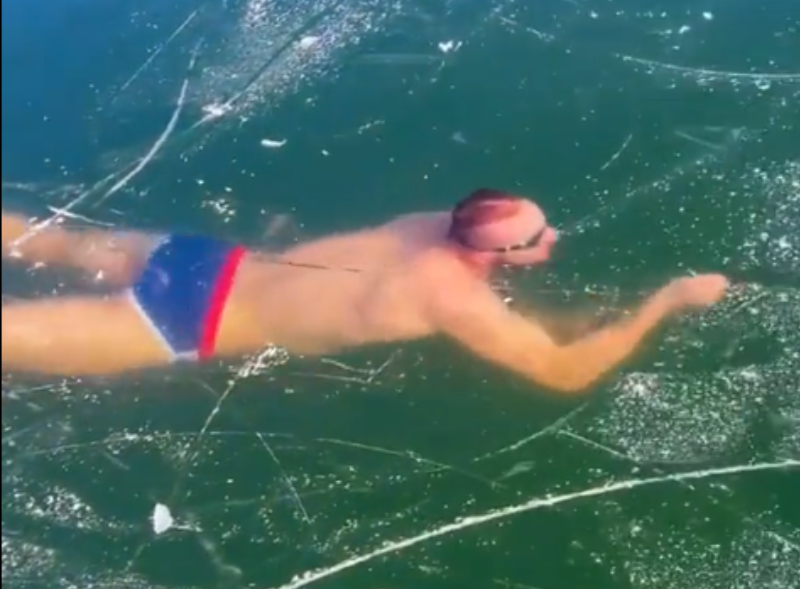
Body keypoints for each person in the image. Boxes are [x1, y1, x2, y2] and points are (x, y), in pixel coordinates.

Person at [1, 188, 729, 390]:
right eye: (536, 240)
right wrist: (668, 301)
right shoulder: (457, 300)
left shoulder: (426, 224)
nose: (552, 241)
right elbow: (563, 372)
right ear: (498, 256)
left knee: (39, 236)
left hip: (201, 261)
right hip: (191, 323)